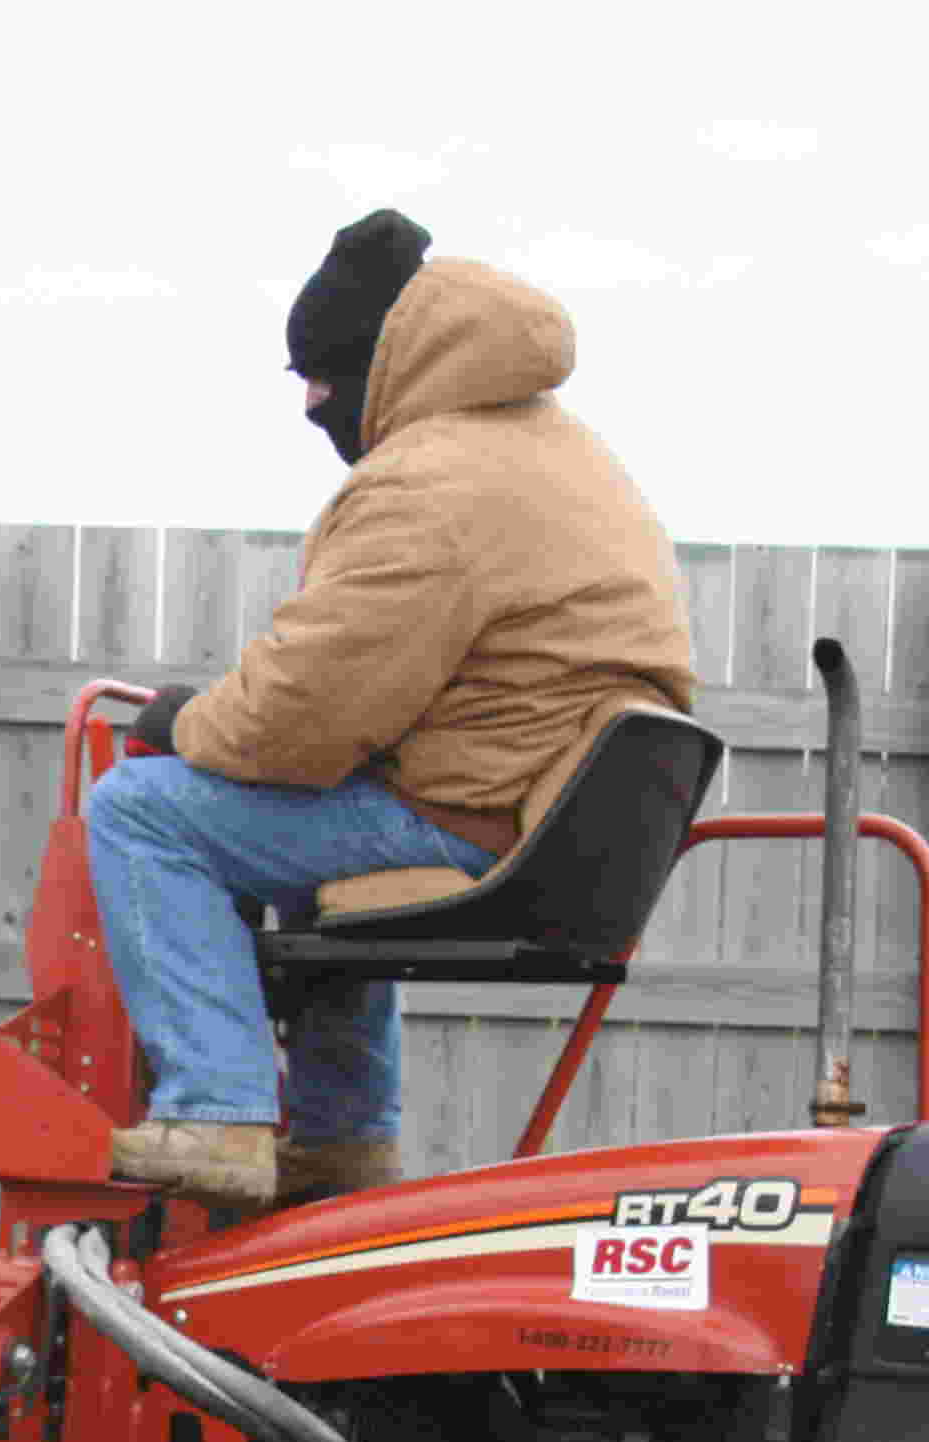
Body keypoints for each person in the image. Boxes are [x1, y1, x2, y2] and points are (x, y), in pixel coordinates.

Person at [90, 209, 697, 1210]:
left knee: (142, 809)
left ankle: (217, 1112)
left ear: (392, 359)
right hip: (548, 808)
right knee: (320, 828)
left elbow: (302, 714)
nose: (312, 406)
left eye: (323, 378)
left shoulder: (431, 483)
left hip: (479, 816)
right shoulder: (557, 452)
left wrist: (181, 724)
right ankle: (341, 1142)